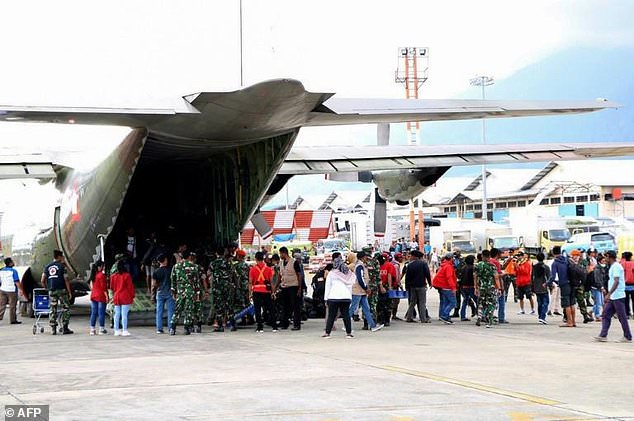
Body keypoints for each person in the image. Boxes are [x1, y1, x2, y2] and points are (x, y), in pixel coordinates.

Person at [594, 250, 632, 342]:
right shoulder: (612, 266)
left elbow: (616, 281)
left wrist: (609, 293)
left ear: (610, 257)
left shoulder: (616, 267)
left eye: (606, 257)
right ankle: (603, 335)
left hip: (617, 296)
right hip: (613, 296)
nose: (605, 259)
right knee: (605, 314)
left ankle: (628, 336)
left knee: (621, 317)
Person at [349, 251, 384, 332]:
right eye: (365, 257)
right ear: (362, 257)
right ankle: (346, 325)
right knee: (353, 308)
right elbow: (360, 279)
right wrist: (366, 288)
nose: (366, 258)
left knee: (366, 308)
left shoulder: (361, 265)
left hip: (362, 291)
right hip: (358, 290)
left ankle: (372, 325)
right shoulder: (359, 266)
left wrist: (365, 288)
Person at [41, 250, 73, 335]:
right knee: (66, 308)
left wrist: (46, 288)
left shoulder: (47, 266)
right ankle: (65, 328)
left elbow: (42, 280)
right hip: (62, 290)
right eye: (62, 256)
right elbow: (66, 280)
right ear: (59, 257)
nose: (63, 258)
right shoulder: (62, 267)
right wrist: (69, 292)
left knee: (53, 309)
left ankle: (53, 329)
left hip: (52, 291)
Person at [322, 256, 355, 338]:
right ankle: (349, 333)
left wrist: (326, 299)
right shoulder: (348, 273)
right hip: (346, 297)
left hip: (333, 297)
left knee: (331, 316)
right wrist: (350, 297)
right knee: (346, 315)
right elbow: (350, 286)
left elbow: (328, 287)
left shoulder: (331, 273)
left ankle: (327, 333)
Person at [170, 250, 200, 335]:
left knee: (177, 310)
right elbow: (196, 282)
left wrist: (173, 292)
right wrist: (197, 294)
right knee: (188, 310)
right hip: (190, 292)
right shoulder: (193, 266)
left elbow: (173, 280)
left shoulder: (176, 266)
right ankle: (186, 328)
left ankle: (172, 328)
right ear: (189, 256)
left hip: (180, 292)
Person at [249, 251, 277, 333]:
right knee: (271, 309)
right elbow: (272, 282)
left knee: (257, 309)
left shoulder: (252, 270)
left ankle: (260, 327)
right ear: (263, 259)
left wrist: (250, 293)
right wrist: (273, 292)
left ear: (256, 259)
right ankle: (274, 327)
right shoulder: (268, 269)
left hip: (256, 291)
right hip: (267, 291)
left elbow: (250, 282)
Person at [549, 246, 576, 328]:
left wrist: (547, 283)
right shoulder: (567, 260)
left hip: (564, 284)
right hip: (572, 283)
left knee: (566, 304)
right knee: (572, 303)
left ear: (553, 253)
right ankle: (573, 322)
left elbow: (552, 277)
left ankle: (569, 322)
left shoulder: (555, 263)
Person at [277, 247, 302, 331]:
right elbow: (280, 276)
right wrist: (277, 286)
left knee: (295, 306)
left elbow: (299, 275)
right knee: (285, 306)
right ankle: (284, 323)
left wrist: (299, 288)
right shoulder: (281, 263)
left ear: (284, 253)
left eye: (281, 254)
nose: (280, 256)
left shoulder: (294, 262)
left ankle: (297, 324)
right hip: (284, 286)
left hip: (293, 287)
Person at [404, 250, 432, 323]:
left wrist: (407, 287)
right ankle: (423, 319)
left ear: (414, 256)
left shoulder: (410, 265)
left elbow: (407, 277)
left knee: (412, 302)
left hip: (412, 286)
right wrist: (430, 283)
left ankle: (409, 317)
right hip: (421, 286)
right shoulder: (423, 264)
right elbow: (427, 274)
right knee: (422, 302)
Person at [110, 259, 135, 337]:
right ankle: (124, 330)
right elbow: (130, 287)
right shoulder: (127, 275)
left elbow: (112, 287)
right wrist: (132, 296)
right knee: (124, 315)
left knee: (117, 314)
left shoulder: (113, 276)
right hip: (125, 296)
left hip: (116, 296)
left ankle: (116, 330)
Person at [474, 250, 499, 327]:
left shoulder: (478, 265)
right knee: (491, 303)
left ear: (482, 256)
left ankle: (479, 317)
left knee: (481, 302)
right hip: (491, 287)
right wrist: (498, 288)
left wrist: (476, 287)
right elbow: (496, 277)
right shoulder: (492, 266)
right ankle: (490, 320)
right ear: (489, 256)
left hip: (482, 287)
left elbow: (475, 276)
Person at [569, 249, 593, 324]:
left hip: (579, 285)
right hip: (571, 285)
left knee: (581, 300)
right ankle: (566, 316)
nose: (577, 257)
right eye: (575, 255)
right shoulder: (569, 263)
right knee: (570, 302)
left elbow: (584, 273)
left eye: (578, 256)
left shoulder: (581, 263)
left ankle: (585, 316)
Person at [432, 253, 457, 324]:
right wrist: (453, 288)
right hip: (447, 287)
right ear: (451, 258)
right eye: (453, 258)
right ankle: (444, 315)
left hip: (443, 287)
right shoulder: (448, 266)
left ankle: (446, 317)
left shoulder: (444, 265)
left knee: (445, 303)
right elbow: (449, 278)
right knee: (453, 303)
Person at [152, 254, 174, 334]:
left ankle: (159, 328)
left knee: (159, 311)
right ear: (165, 260)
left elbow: (153, 284)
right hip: (169, 292)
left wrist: (155, 291)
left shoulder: (156, 271)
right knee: (170, 311)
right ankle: (171, 328)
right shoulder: (170, 270)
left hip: (160, 292)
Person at [0, 257, 22, 325]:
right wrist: (21, 289)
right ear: (10, 263)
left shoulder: (1, 270)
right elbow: (17, 282)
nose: (13, 262)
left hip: (2, 289)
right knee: (12, 306)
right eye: (12, 261)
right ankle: (13, 320)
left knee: (1, 305)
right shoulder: (13, 271)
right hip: (11, 290)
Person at [88, 260, 108, 335]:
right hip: (100, 296)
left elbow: (91, 287)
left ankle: (92, 329)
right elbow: (104, 288)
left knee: (94, 313)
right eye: (103, 266)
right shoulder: (101, 275)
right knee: (101, 313)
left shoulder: (93, 275)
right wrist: (107, 297)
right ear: (99, 267)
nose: (104, 267)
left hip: (93, 296)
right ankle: (101, 329)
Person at [531, 253, 551, 324]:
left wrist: (532, 288)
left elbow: (532, 278)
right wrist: (550, 286)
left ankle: (540, 317)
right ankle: (542, 317)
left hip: (536, 287)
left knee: (539, 303)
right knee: (545, 302)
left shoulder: (534, 267)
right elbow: (549, 278)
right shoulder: (546, 267)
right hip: (544, 287)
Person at [489, 248, 507, 324]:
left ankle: (487, 316)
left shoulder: (489, 261)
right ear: (497, 254)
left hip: (489, 284)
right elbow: (497, 275)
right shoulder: (496, 262)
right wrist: (504, 274)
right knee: (501, 301)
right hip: (497, 284)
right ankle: (501, 318)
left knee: (490, 302)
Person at [459, 254, 477, 322]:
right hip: (471, 286)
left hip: (464, 287)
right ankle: (481, 315)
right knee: (477, 301)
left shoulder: (463, 267)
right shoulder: (473, 268)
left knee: (465, 301)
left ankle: (463, 316)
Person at [590, 254, 608, 322]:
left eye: (605, 261)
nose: (604, 262)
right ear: (600, 261)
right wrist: (601, 287)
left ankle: (591, 312)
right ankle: (597, 316)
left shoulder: (602, 268)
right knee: (599, 302)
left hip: (599, 287)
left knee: (599, 302)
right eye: (603, 261)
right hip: (596, 287)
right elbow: (597, 279)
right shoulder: (597, 269)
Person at [621, 252, 634, 318]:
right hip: (633, 285)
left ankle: (627, 313)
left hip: (625, 285)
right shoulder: (633, 263)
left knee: (626, 301)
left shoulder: (622, 264)